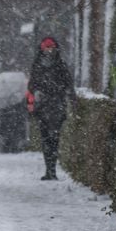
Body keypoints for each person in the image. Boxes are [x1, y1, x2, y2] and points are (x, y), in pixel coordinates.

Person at [26, 36, 76, 181]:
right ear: (42, 49)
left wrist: (70, 97)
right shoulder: (39, 65)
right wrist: (30, 102)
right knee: (47, 138)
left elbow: (68, 83)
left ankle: (51, 170)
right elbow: (32, 85)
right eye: (47, 47)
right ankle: (49, 170)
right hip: (44, 105)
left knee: (53, 138)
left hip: (55, 104)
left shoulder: (59, 65)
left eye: (51, 47)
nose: (49, 50)